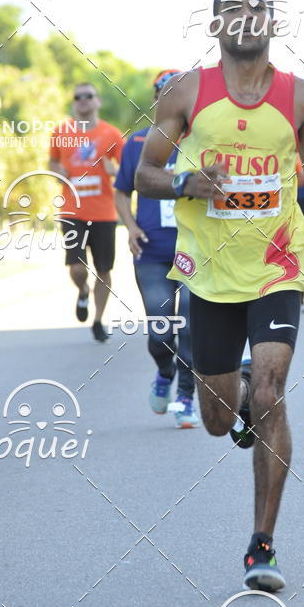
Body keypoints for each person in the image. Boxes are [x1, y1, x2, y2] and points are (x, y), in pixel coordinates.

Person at [134, 0, 304, 592]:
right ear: (215, 25)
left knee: (271, 393)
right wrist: (190, 184)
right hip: (212, 271)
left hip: (278, 262)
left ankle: (261, 546)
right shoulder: (187, 93)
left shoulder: (303, 99)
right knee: (220, 419)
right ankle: (235, 391)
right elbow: (146, 173)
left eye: (259, 7)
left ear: (273, 21)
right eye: (233, 9)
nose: (248, 15)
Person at [114, 71, 199, 429]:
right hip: (150, 251)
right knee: (161, 331)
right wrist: (131, 227)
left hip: (194, 251)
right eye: (163, 93)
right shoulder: (135, 143)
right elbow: (121, 191)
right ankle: (164, 372)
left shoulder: (201, 142)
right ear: (156, 101)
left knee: (193, 329)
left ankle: (185, 397)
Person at [50, 83, 123, 341]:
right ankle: (82, 291)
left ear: (97, 101)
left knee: (104, 269)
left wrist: (114, 170)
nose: (83, 100)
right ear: (73, 102)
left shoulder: (111, 134)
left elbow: (126, 166)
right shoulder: (61, 132)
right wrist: (58, 172)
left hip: (104, 213)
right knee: (77, 266)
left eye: (88, 96)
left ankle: (98, 320)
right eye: (77, 96)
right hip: (72, 211)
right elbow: (53, 162)